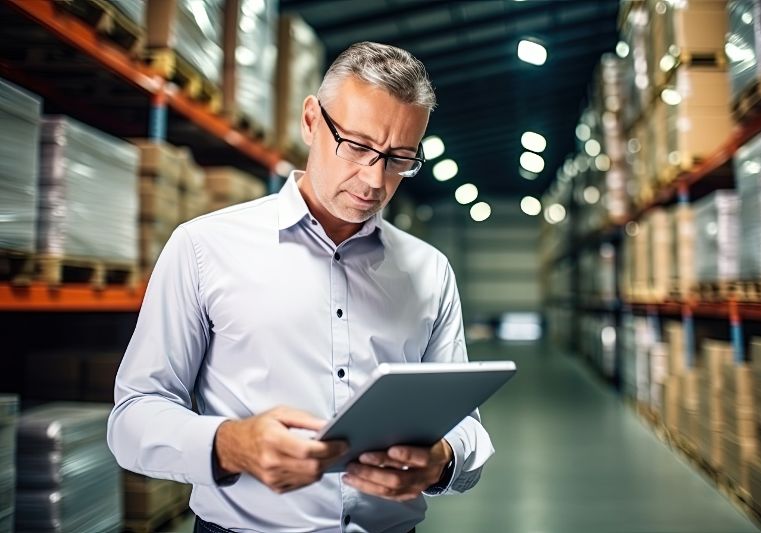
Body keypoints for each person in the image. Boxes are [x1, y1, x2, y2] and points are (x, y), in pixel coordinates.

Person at [108, 41, 494, 533]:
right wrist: (230, 444)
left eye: (399, 159)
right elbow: (133, 417)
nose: (374, 179)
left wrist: (442, 460)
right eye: (357, 146)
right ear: (311, 121)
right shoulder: (204, 247)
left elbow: (465, 425)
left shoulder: (429, 271)